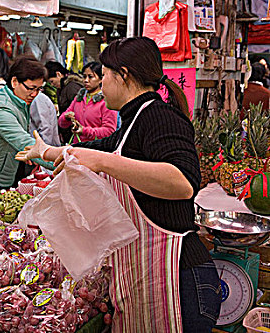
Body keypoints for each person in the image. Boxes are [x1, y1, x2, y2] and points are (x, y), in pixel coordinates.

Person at [17, 37, 221, 332]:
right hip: (147, 275)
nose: (101, 84)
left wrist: (100, 162)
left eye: (104, 75)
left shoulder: (160, 117)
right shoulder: (132, 123)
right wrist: (46, 152)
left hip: (179, 280)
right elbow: (98, 150)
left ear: (122, 74)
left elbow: (182, 181)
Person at [0, 55, 54, 191]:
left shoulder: (18, 101)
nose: (34, 94)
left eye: (38, 89)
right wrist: (62, 162)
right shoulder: (1, 108)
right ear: (14, 82)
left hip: (3, 174)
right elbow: (23, 141)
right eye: (31, 88)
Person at [58, 62, 117, 144]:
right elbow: (61, 123)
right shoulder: (79, 98)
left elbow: (109, 130)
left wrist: (84, 131)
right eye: (84, 76)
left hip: (96, 148)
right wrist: (66, 117)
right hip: (78, 147)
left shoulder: (106, 101)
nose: (86, 80)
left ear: (100, 79)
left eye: (90, 77)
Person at [44, 61, 83, 143]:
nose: (52, 85)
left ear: (58, 74)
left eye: (52, 81)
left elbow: (80, 110)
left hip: (77, 135)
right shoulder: (62, 88)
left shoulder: (71, 87)